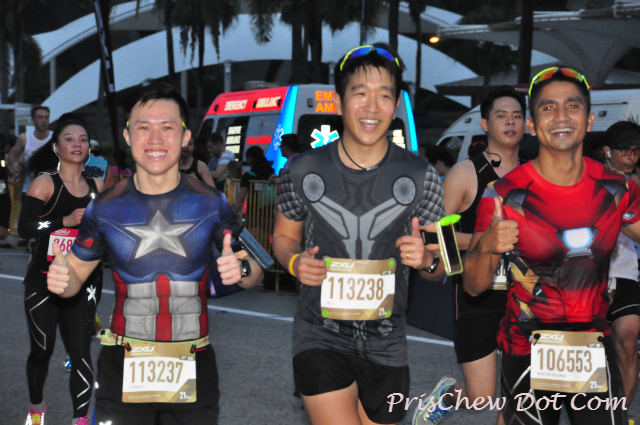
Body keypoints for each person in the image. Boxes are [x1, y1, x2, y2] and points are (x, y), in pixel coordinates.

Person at [46, 82, 264, 425]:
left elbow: (255, 267)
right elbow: (74, 275)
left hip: (194, 360)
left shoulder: (211, 202)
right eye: (144, 127)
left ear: (185, 136)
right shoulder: (105, 207)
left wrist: (244, 271)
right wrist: (63, 280)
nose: (156, 139)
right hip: (123, 362)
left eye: (167, 127)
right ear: (128, 136)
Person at [272, 43, 446, 425]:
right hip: (319, 335)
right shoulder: (301, 169)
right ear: (338, 101)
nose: (372, 107)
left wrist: (427, 259)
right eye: (360, 93)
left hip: (388, 342)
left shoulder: (423, 176)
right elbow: (283, 238)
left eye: (384, 95)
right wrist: (295, 262)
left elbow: (445, 266)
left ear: (396, 105)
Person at [464, 67, 640, 424]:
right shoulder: (502, 195)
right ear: (532, 124)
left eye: (572, 106)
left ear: (589, 120)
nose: (561, 116)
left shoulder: (618, 188)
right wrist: (487, 247)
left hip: (592, 344)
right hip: (527, 347)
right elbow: (474, 286)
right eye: (548, 108)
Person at [413, 85, 526, 425]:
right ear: (484, 124)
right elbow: (432, 231)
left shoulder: (535, 174)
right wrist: (483, 242)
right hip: (476, 293)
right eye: (501, 116)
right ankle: (447, 395)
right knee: (481, 396)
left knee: (522, 392)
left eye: (517, 116)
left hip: (525, 293)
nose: (510, 122)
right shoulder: (465, 173)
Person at [18, 117, 105, 425]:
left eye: (83, 139)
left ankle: (80, 419)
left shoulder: (97, 188)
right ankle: (36, 407)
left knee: (80, 351)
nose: (77, 144)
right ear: (56, 147)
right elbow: (25, 229)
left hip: (85, 281)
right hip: (43, 281)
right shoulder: (45, 184)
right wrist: (63, 222)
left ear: (89, 147)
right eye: (69, 139)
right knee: (42, 350)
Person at [600, 120, 640, 406]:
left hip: (624, 273)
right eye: (625, 150)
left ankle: (621, 414)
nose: (631, 157)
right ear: (607, 151)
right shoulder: (588, 179)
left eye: (636, 150)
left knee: (628, 342)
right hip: (586, 276)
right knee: (587, 349)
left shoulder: (635, 184)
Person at [7, 106, 52, 196]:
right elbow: (12, 155)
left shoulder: (56, 137)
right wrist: (14, 168)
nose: (43, 120)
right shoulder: (24, 138)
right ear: (33, 120)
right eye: (40, 117)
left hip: (51, 189)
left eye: (46, 117)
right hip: (29, 189)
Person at [233, 146, 275, 215]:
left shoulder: (247, 176)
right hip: (270, 212)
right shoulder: (271, 172)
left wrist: (233, 213)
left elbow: (241, 198)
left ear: (250, 158)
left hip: (253, 213)